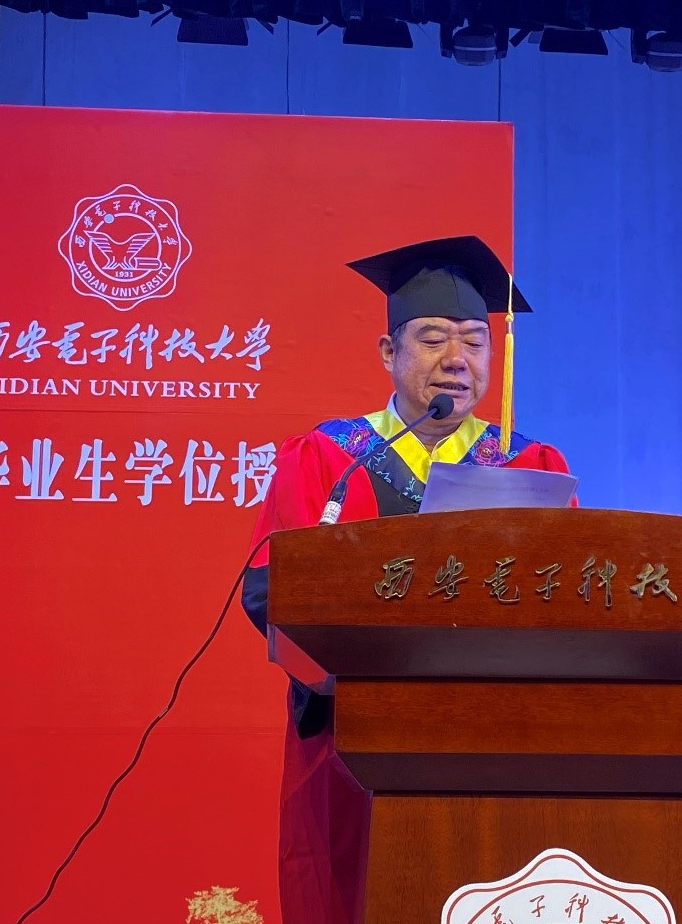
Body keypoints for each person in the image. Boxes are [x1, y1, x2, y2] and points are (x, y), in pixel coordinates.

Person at [240, 235, 571, 924]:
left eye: (474, 341)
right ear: (389, 353)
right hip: (350, 744)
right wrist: (345, 679)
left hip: (492, 742)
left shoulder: (527, 465)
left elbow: (563, 594)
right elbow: (273, 587)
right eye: (432, 338)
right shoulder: (329, 458)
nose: (456, 359)